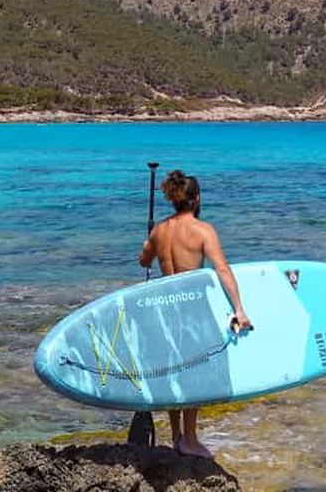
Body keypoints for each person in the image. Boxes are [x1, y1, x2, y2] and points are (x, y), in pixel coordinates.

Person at [139, 169, 252, 459]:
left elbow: (143, 261)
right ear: (196, 198)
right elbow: (222, 269)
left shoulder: (159, 231)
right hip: (191, 311)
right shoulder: (203, 230)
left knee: (174, 368)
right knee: (193, 371)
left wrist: (148, 242)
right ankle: (189, 439)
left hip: (164, 310)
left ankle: (177, 435)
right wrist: (239, 309)